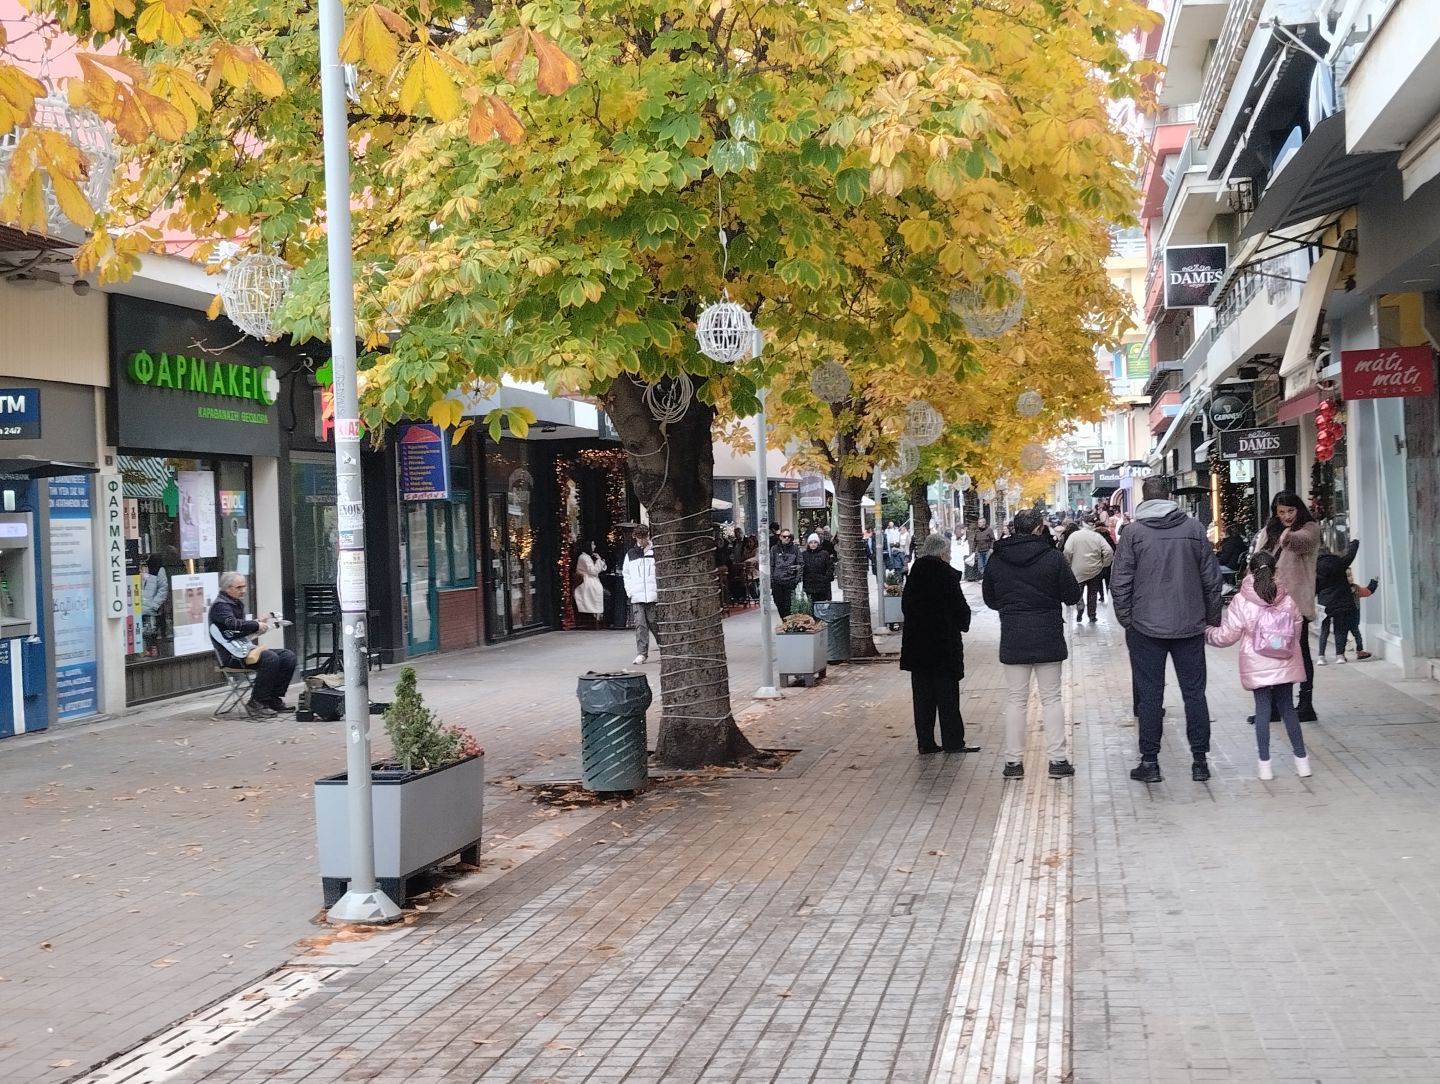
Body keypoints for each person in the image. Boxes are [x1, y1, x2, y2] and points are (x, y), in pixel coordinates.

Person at [1111, 475, 1222, 784]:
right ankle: (1199, 761)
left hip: (1146, 627)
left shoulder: (1133, 534)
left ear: (1144, 499)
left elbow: (1119, 582)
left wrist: (1127, 620)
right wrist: (1212, 619)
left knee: (1149, 697)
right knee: (1194, 694)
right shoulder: (1194, 529)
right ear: (1170, 497)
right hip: (1189, 624)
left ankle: (1150, 762)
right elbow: (1211, 580)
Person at [982, 507, 1082, 779]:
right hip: (1047, 633)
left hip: (1014, 633)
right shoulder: (1053, 558)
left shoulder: (997, 558)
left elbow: (990, 599)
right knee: (1051, 698)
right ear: (1039, 527)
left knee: (1016, 699)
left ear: (1015, 527)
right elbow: (1072, 595)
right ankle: (1058, 761)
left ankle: (1013, 763)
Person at [1204, 550, 1310, 780]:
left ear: (1249, 570)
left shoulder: (1242, 601)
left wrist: (1207, 632)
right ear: (1275, 570)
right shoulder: (1288, 598)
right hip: (1285, 660)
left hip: (1257, 661)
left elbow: (1228, 636)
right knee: (1287, 709)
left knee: (1262, 710)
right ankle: (1303, 763)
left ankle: (1265, 766)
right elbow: (1296, 631)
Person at [901, 533, 977, 755]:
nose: (950, 555)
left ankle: (925, 742)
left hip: (918, 646)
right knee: (947, 696)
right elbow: (960, 608)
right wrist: (961, 623)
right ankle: (953, 741)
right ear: (943, 553)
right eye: (949, 552)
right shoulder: (946, 575)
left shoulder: (915, 574)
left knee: (922, 696)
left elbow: (906, 607)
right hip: (943, 645)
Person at [1254, 492, 1321, 721]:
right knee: (1273, 654)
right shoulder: (1268, 531)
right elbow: (1258, 559)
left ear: (1298, 509)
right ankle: (1275, 707)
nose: (1286, 516)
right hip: (1271, 603)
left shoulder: (1309, 529)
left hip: (1296, 604)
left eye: (1290, 511)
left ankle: (1306, 704)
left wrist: (1284, 536)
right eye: (1281, 512)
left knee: (1299, 653)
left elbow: (1300, 541)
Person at [208, 572, 297, 718]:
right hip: (231, 656)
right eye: (239, 587)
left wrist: (259, 624)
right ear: (227, 588)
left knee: (288, 656)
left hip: (242, 649)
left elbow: (237, 632)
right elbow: (233, 624)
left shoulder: (234, 603)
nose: (243, 590)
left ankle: (273, 699)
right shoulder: (221, 606)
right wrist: (256, 624)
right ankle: (256, 702)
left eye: (244, 586)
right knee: (270, 658)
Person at [1315, 540, 1376, 665]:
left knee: (1324, 630)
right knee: (1339, 630)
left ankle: (1321, 657)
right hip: (1340, 601)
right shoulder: (1338, 563)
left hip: (1324, 603)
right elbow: (1350, 556)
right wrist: (1355, 544)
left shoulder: (1314, 567)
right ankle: (1340, 656)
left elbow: (1314, 587)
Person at [1063, 516, 1113, 624]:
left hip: (1077, 570)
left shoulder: (1074, 536)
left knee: (1078, 591)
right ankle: (1092, 615)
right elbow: (1109, 551)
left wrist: (1069, 564)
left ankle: (1080, 606)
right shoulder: (1097, 537)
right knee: (1092, 594)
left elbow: (1067, 551)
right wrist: (1104, 564)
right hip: (1095, 570)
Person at [622, 526, 658, 665]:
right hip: (637, 595)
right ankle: (642, 653)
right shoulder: (631, 554)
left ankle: (663, 647)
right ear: (635, 537)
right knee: (640, 624)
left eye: (644, 537)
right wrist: (630, 591)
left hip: (652, 594)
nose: (642, 541)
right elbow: (627, 574)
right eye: (639, 538)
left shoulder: (654, 552)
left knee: (654, 622)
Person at [140, 555, 170, 657]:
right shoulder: (142, 568)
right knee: (141, 634)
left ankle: (154, 655)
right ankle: (145, 653)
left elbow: (163, 589)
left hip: (151, 609)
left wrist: (155, 604)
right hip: (140, 609)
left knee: (152, 635)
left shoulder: (158, 569)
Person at [769, 527, 802, 617]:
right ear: (780, 537)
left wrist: (796, 579)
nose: (787, 538)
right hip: (777, 581)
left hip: (790, 581)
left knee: (788, 604)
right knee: (779, 603)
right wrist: (772, 580)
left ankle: (787, 623)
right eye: (784, 536)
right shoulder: (774, 549)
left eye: (788, 536)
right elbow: (771, 564)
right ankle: (784, 621)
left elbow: (800, 564)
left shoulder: (795, 549)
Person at [573, 541, 606, 627]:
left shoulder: (586, 557)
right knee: (602, 594)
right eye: (593, 544)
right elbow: (593, 571)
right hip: (587, 582)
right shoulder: (584, 557)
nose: (594, 546)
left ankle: (598, 617)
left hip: (590, 581)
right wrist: (599, 560)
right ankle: (597, 617)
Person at [800, 533, 835, 602]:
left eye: (815, 542)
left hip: (822, 585)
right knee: (811, 605)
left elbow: (830, 567)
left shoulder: (824, 554)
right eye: (811, 542)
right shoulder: (804, 555)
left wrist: (826, 578)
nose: (813, 544)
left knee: (822, 606)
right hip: (809, 584)